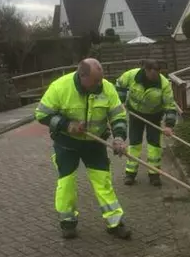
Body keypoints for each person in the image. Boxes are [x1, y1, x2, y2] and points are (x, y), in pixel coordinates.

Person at [34, 58, 131, 240]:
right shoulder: (60, 87)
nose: (99, 84)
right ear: (82, 75)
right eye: (95, 81)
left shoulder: (107, 88)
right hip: (67, 144)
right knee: (67, 184)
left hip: (95, 144)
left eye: (100, 79)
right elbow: (41, 114)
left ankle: (115, 223)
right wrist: (66, 124)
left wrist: (118, 138)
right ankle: (68, 222)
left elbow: (118, 116)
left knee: (103, 183)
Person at [115, 59, 178, 187]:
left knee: (154, 146)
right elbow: (119, 84)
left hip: (154, 116)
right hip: (135, 114)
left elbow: (170, 105)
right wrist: (120, 101)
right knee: (135, 143)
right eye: (153, 74)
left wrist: (169, 126)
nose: (155, 77)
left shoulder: (164, 84)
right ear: (146, 70)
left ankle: (154, 175)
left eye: (157, 74)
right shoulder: (132, 75)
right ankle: (130, 173)